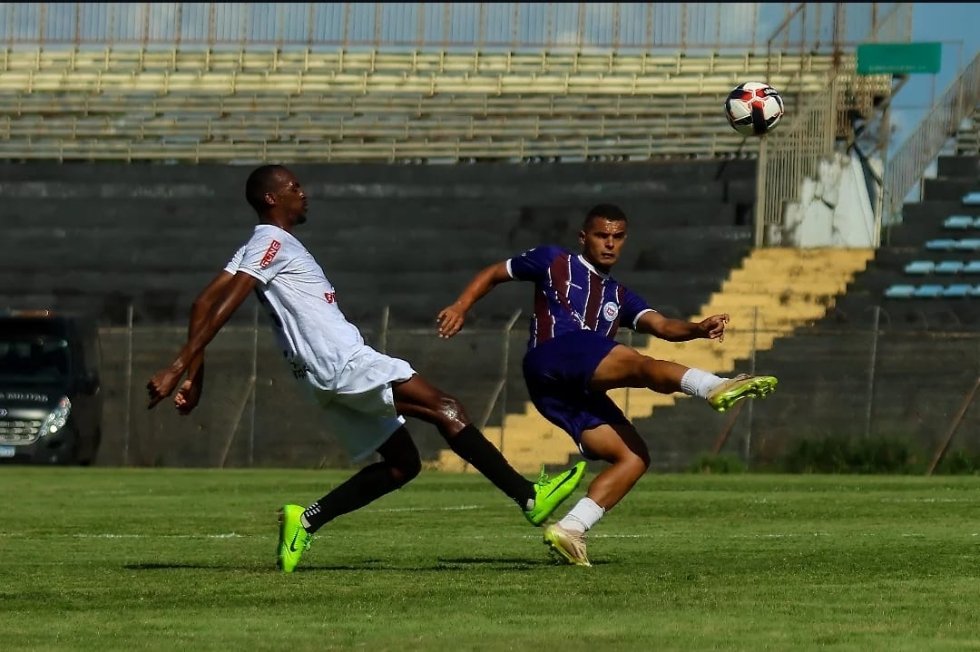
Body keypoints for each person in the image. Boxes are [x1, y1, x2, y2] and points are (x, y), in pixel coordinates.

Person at [145, 164, 585, 573]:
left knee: (402, 464)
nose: (303, 193)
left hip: (316, 377)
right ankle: (529, 497)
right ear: (271, 198)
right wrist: (178, 367)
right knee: (446, 409)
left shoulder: (257, 243)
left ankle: (306, 521)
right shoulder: (272, 242)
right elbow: (225, 304)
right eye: (294, 188)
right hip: (341, 361)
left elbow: (202, 303)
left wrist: (194, 375)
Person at [436, 203, 777, 567]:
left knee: (633, 457)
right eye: (602, 235)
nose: (609, 244)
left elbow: (661, 326)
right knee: (638, 363)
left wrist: (696, 329)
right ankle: (711, 386)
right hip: (554, 352)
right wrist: (461, 305)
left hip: (562, 391)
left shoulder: (619, 296)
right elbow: (494, 273)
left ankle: (570, 528)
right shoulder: (554, 261)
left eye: (617, 237)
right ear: (584, 237)